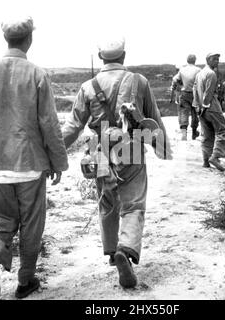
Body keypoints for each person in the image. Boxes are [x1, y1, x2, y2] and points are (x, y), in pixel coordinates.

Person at [62, 35, 172, 289]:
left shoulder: (88, 86)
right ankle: (127, 248)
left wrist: (52, 154)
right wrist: (162, 147)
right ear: (123, 56)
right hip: (132, 143)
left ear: (101, 57)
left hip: (99, 147)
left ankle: (113, 252)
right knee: (133, 204)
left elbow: (73, 126)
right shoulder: (139, 81)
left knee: (107, 201)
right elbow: (153, 117)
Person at [0, 16, 69, 300]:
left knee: (0, 219)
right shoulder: (37, 74)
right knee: (32, 224)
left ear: (6, 39)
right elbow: (49, 124)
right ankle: (25, 281)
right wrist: (58, 162)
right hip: (30, 165)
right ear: (29, 39)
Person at [193, 53, 225, 171]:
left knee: (207, 134)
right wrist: (205, 105)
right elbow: (208, 92)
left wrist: (198, 106)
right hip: (211, 106)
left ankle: (206, 160)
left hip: (202, 109)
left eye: (218, 59)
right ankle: (215, 156)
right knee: (222, 131)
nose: (217, 61)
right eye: (214, 59)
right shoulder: (211, 74)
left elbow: (195, 91)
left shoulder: (199, 74)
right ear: (208, 60)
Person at [171, 54, 201, 140]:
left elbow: (175, 79)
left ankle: (184, 134)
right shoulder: (199, 70)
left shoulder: (182, 70)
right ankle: (194, 132)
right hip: (195, 94)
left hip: (184, 94)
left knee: (183, 112)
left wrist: (178, 86)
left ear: (187, 60)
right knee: (195, 113)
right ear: (195, 60)